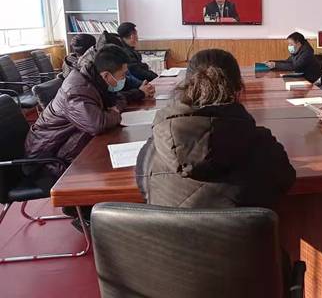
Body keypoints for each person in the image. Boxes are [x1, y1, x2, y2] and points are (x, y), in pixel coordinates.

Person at [136, 48, 296, 209]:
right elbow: (285, 181)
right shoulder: (263, 145)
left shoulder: (154, 148)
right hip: (242, 226)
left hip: (169, 226)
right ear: (238, 89)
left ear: (187, 87)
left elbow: (145, 190)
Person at [24, 45, 127, 191]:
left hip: (66, 149)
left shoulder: (95, 81)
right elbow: (97, 124)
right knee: (111, 176)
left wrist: (112, 111)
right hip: (47, 163)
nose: (124, 79)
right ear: (106, 76)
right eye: (122, 75)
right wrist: (115, 114)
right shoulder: (77, 90)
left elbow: (117, 100)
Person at [76, 30, 155, 101]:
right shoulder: (88, 70)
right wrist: (139, 92)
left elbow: (125, 77)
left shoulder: (109, 61)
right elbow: (109, 99)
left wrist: (143, 86)